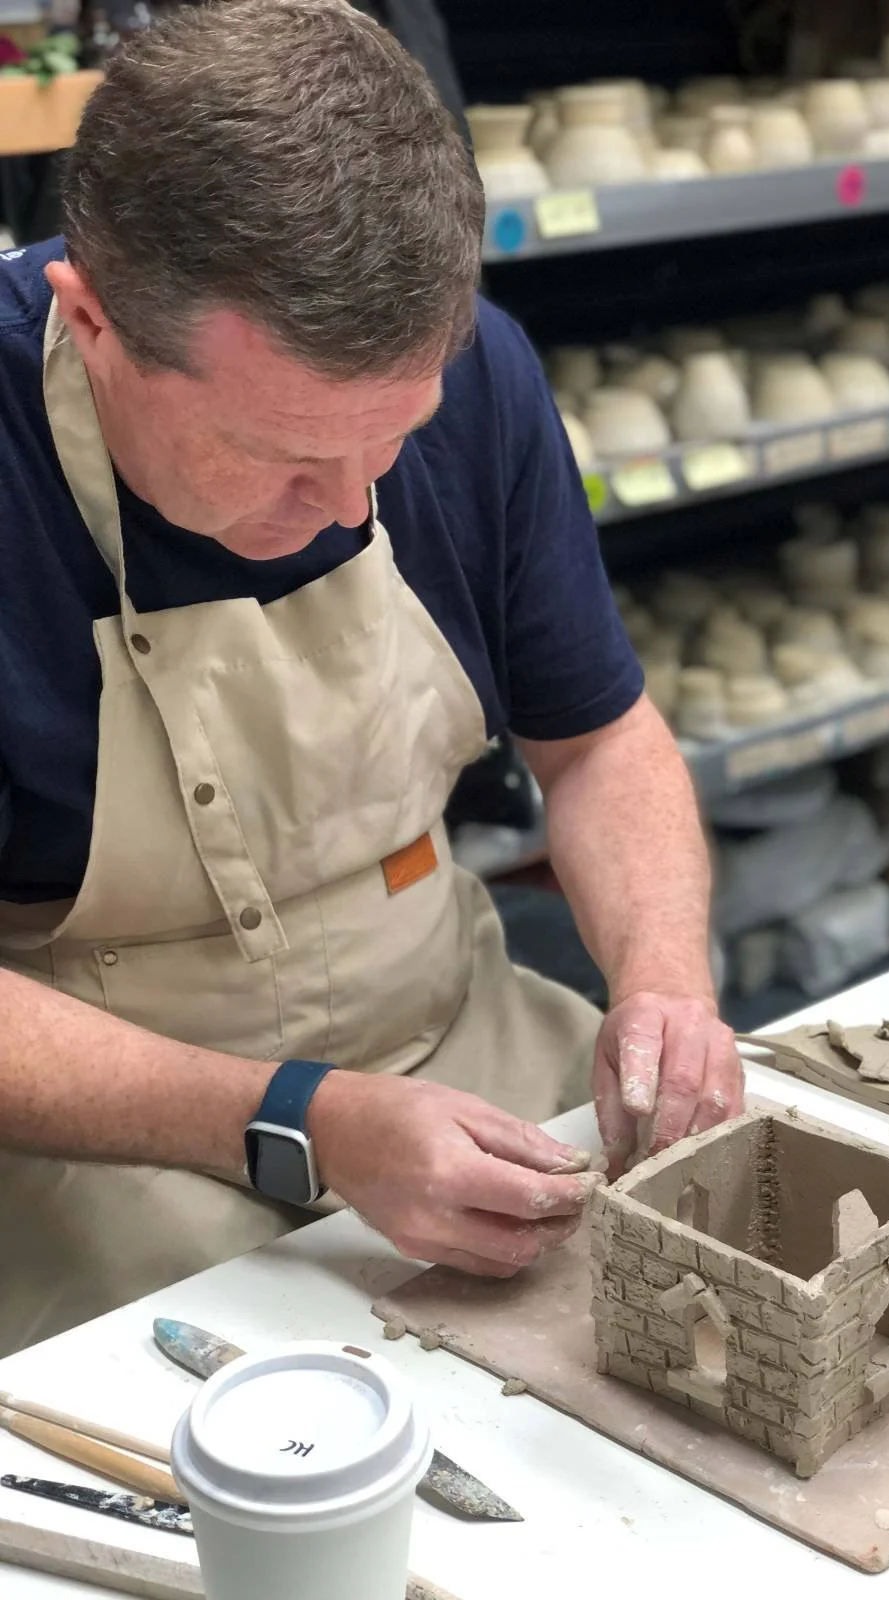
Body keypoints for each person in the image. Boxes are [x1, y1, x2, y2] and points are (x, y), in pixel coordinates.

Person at [0, 0, 742, 1355]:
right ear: (92, 319)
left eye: (392, 437)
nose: (350, 504)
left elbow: (601, 743)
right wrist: (302, 1119)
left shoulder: (484, 378)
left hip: (451, 1039)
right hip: (101, 1137)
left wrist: (665, 981)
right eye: (280, 453)